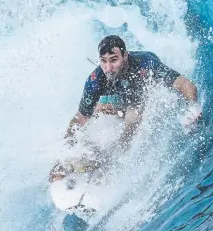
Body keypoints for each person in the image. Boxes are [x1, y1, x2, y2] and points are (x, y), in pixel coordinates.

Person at [51, 35, 201, 181]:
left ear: (125, 56)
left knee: (132, 118)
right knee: (97, 113)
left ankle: (116, 160)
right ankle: (79, 159)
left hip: (140, 97)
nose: (108, 68)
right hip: (119, 98)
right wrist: (64, 153)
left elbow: (185, 85)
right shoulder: (96, 79)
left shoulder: (145, 65)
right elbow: (80, 118)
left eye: (114, 60)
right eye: (103, 61)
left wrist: (193, 108)